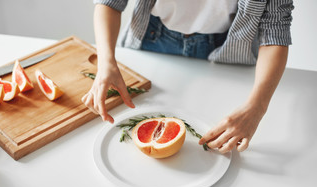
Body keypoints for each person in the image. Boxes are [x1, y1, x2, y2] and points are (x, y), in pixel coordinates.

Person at [82, 0, 294, 153]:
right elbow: (109, 3)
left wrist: (257, 107)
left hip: (225, 47)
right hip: (152, 38)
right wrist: (106, 61)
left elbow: (275, 30)